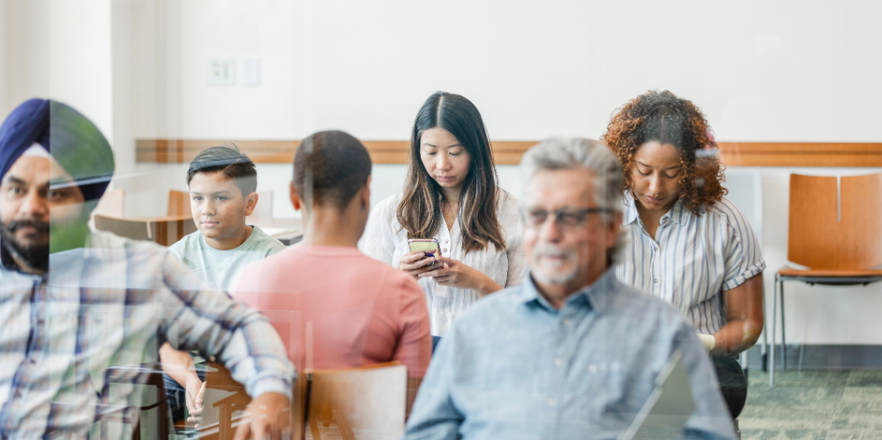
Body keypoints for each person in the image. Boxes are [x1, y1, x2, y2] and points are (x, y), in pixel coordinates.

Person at [404, 137, 735, 440]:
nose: (549, 233)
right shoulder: (474, 331)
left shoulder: (663, 334)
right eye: (536, 215)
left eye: (570, 216)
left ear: (610, 226)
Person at [0, 98, 294, 439]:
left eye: (55, 194)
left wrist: (271, 389)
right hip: (180, 373)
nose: (31, 207)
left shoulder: (136, 273)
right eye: (16, 189)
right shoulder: (178, 253)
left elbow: (239, 326)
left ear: (87, 202)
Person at [233, 130, 432, 411]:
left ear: (294, 194)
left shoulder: (250, 281)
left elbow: (236, 402)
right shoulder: (402, 292)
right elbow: (411, 410)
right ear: (366, 191)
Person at [602, 90, 765, 421]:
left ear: (691, 169)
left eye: (672, 173)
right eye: (644, 171)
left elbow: (748, 324)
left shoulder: (725, 222)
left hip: (697, 373)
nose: (655, 187)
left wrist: (703, 343)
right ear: (624, 162)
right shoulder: (596, 218)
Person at [362, 91, 525, 341]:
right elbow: (368, 309)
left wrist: (478, 282)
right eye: (430, 152)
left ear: (475, 151)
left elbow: (526, 311)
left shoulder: (513, 213)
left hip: (486, 351)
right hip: (413, 355)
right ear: (418, 152)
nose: (442, 165)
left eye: (455, 152)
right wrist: (399, 280)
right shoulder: (391, 213)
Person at [162, 144, 286, 424]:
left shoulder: (272, 258)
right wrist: (191, 383)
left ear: (249, 203)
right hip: (189, 373)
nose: (207, 210)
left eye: (220, 197)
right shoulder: (176, 258)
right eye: (197, 198)